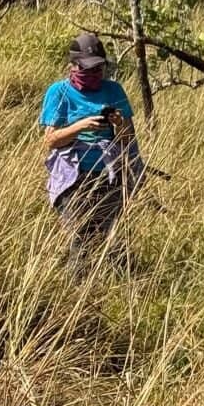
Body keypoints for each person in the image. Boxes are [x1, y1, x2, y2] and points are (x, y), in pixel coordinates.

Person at [40, 31, 139, 268]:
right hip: (73, 174)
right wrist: (80, 126)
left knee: (112, 234)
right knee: (80, 234)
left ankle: (121, 280)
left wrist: (119, 123)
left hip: (108, 173)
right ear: (72, 66)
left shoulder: (114, 90)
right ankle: (77, 283)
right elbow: (50, 140)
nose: (93, 75)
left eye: (98, 69)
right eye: (86, 70)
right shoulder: (58, 92)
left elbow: (128, 139)